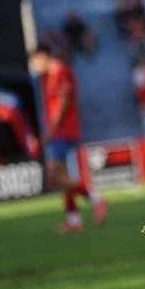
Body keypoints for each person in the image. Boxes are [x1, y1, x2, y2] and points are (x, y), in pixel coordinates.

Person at [29, 43, 106, 233]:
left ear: (43, 55)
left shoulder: (61, 72)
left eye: (36, 61)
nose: (36, 66)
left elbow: (62, 106)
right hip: (58, 132)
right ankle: (74, 220)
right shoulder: (46, 77)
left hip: (62, 132)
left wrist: (48, 132)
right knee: (61, 178)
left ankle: (96, 200)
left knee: (53, 177)